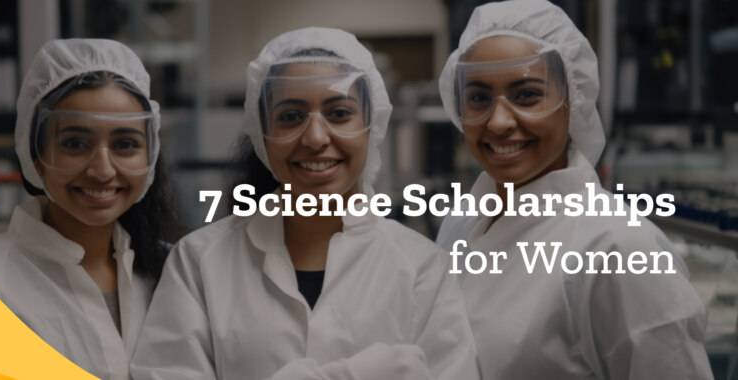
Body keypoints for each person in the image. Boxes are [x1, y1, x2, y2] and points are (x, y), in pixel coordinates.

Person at [131, 27, 479, 380]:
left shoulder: (421, 268)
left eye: (339, 113)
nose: (315, 138)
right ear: (262, 133)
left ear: (371, 126)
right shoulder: (198, 262)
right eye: (291, 117)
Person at [435, 1, 713, 379]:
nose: (498, 122)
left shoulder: (619, 248)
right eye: (479, 98)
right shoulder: (463, 222)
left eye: (527, 95)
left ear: (573, 100)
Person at [0, 39, 183, 380]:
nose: (103, 170)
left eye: (125, 144)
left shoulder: (176, 273)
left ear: (150, 157)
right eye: (75, 144)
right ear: (34, 152)